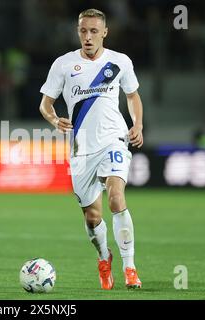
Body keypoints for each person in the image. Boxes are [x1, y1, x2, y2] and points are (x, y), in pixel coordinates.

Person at [39, 8, 144, 290]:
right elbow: (45, 104)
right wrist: (53, 119)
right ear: (78, 32)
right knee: (92, 216)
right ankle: (103, 256)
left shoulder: (119, 62)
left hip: (114, 139)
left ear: (105, 33)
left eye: (94, 31)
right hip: (82, 148)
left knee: (116, 198)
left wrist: (138, 124)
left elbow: (133, 96)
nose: (88, 37)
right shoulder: (63, 64)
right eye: (83, 31)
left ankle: (130, 267)